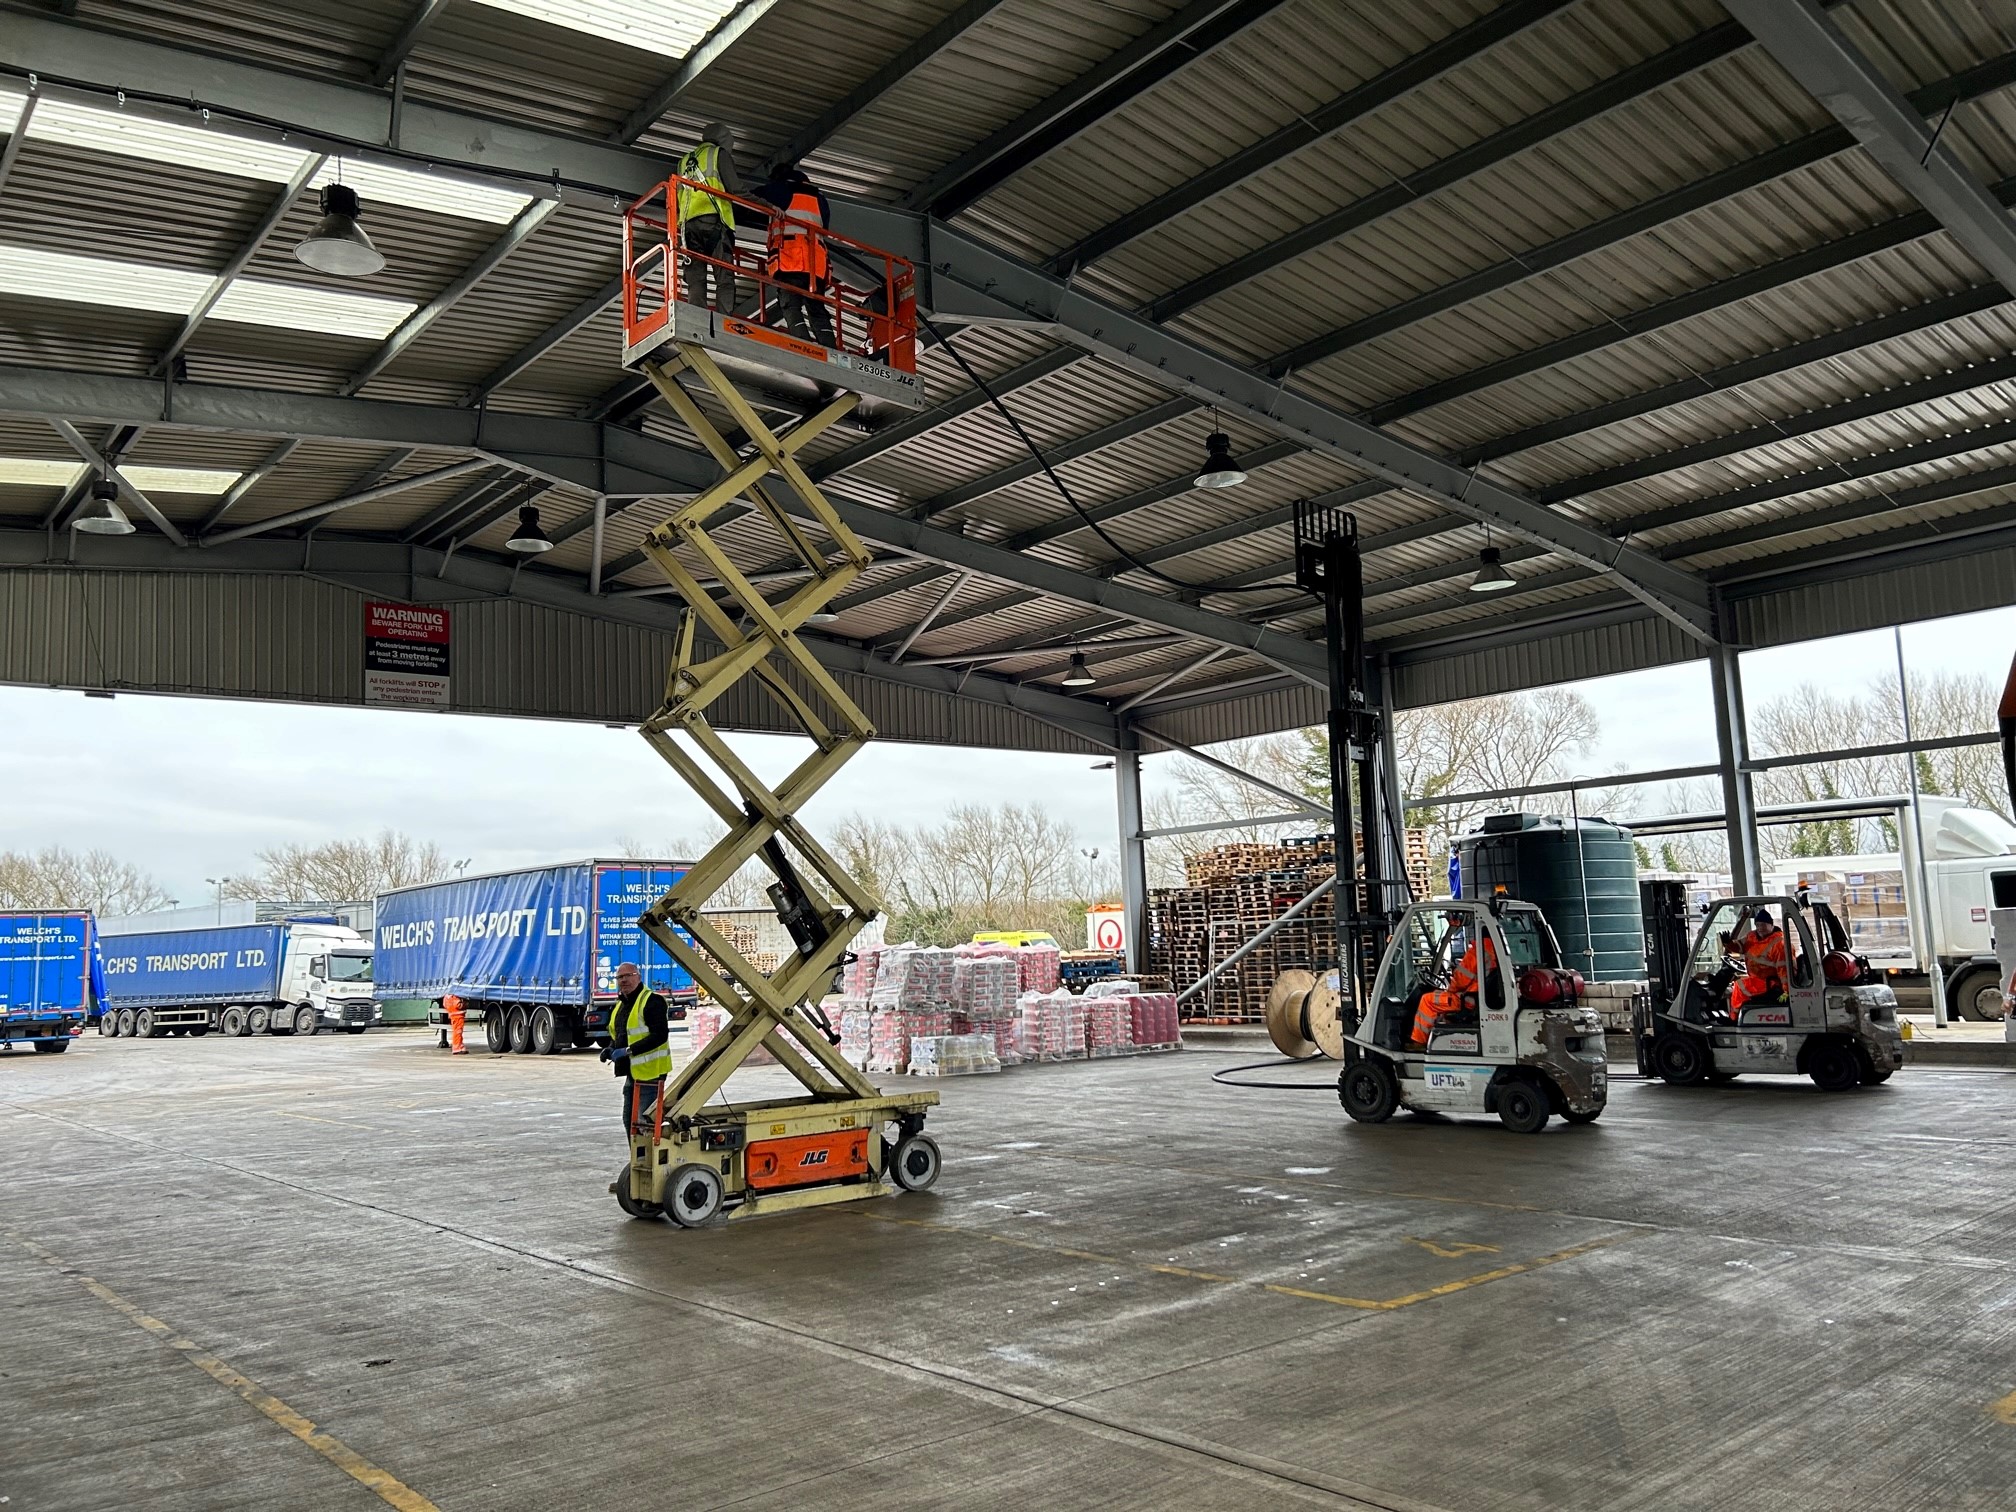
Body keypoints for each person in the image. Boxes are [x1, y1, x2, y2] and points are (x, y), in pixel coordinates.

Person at [757, 161, 835, 347]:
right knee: (817, 309)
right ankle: (830, 349)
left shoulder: (781, 190)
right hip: (816, 263)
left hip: (791, 258)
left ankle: (803, 345)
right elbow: (824, 227)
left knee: (790, 304)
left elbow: (751, 198)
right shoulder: (820, 199)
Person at [678, 121, 746, 312]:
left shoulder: (684, 161)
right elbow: (737, 189)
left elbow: (677, 195)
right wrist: (767, 206)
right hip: (714, 222)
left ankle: (696, 317)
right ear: (723, 140)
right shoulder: (718, 154)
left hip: (688, 226)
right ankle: (725, 319)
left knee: (695, 278)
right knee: (724, 277)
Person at [602, 961, 672, 1133]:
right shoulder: (621, 1004)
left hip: (651, 1074)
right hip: (633, 1073)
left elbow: (660, 1035)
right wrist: (610, 1048)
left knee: (644, 1125)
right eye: (620, 977)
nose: (623, 980)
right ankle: (636, 1151)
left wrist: (628, 1050)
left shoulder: (652, 1001)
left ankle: (646, 1152)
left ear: (638, 977)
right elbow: (619, 1034)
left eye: (628, 976)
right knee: (630, 1122)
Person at [1412, 913, 1497, 1046]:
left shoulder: (1478, 951)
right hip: (1478, 997)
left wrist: (1450, 989)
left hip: (1469, 1000)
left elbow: (1461, 980)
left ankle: (1419, 1042)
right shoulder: (1495, 948)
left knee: (1427, 1000)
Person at [1728, 908, 1789, 1015]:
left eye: (1763, 925)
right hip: (1758, 979)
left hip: (1771, 983)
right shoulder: (1751, 937)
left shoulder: (1779, 944)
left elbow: (1784, 970)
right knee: (1738, 984)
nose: (1760, 928)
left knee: (1739, 986)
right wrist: (1728, 943)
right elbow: (1739, 947)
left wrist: (1786, 991)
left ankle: (1734, 1018)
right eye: (1758, 925)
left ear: (1771, 925)